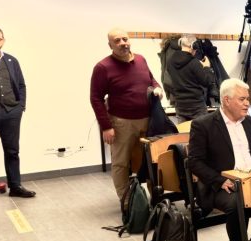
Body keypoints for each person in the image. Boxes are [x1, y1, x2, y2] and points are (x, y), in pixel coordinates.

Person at [188, 79, 251, 241]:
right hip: (220, 185)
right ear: (227, 100)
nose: (247, 103)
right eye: (242, 99)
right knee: (237, 203)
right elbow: (194, 162)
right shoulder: (203, 125)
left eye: (248, 99)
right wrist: (220, 180)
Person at [90, 28, 162, 202]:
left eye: (125, 39)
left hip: (147, 120)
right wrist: (106, 127)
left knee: (151, 160)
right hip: (121, 123)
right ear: (110, 45)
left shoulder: (141, 59)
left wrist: (157, 87)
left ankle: (156, 200)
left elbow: (151, 79)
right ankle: (127, 202)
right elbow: (96, 98)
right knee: (121, 163)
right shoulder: (103, 67)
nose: (123, 43)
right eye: (117, 40)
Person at [0, 25, 35, 204]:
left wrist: (20, 106)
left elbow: (21, 85)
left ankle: (15, 187)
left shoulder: (11, 60)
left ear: (3, 41)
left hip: (11, 113)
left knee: (13, 151)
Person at [167, 35, 218, 121]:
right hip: (196, 106)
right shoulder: (194, 63)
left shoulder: (170, 61)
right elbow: (207, 81)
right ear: (193, 46)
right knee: (200, 129)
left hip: (180, 105)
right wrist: (206, 67)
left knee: (183, 129)